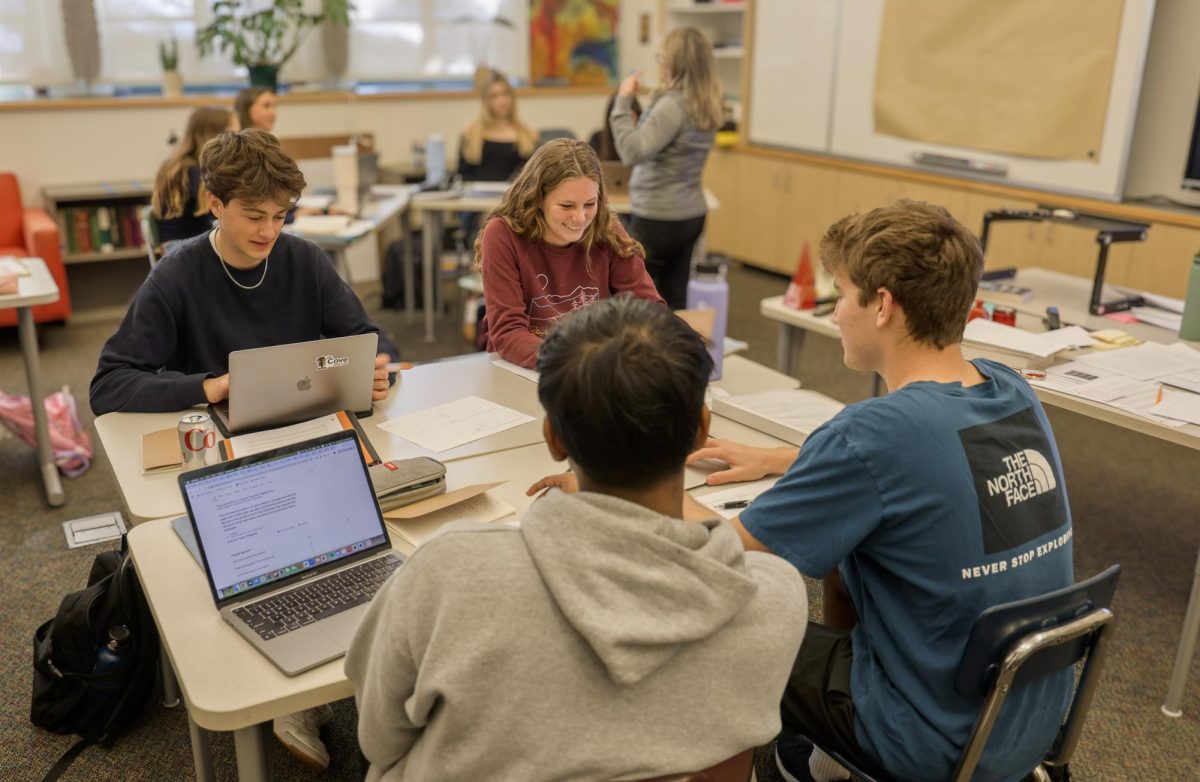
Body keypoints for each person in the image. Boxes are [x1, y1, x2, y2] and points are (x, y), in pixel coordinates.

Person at [686, 201, 1075, 782]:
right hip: (1026, 715)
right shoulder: (1010, 389)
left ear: (883, 306)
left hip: (930, 736)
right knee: (852, 557)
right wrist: (789, 460)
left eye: (841, 294)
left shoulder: (871, 435)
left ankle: (833, 762)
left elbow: (723, 552)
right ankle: (830, 756)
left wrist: (625, 478)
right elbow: (928, 471)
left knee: (722, 623)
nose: (837, 312)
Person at [346, 294, 808, 781]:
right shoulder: (774, 596)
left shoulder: (449, 571)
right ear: (702, 432)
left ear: (553, 438)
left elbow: (378, 738)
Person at [90, 128, 399, 419]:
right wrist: (208, 387)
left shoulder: (305, 259)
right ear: (216, 205)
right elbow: (109, 385)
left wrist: (375, 371)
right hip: (219, 435)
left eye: (279, 216)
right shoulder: (176, 275)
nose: (269, 231)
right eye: (254, 217)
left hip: (304, 421)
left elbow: (370, 341)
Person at [475, 138, 664, 368]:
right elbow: (508, 333)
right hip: (526, 368)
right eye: (566, 206)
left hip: (592, 368)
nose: (580, 218)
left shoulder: (605, 227)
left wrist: (680, 341)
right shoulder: (502, 235)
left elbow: (649, 309)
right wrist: (578, 360)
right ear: (538, 199)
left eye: (590, 204)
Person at [610, 26, 722, 310]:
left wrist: (623, 100)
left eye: (662, 58)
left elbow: (632, 151)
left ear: (675, 64)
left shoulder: (673, 105)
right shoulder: (705, 102)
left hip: (658, 216)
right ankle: (675, 351)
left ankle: (644, 352)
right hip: (690, 214)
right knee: (675, 298)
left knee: (640, 298)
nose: (659, 65)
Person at [152, 105, 237, 243]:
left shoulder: (174, 164)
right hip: (188, 248)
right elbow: (221, 213)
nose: (238, 139)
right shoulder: (195, 171)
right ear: (220, 134)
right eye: (235, 132)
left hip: (174, 247)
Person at [457, 68, 538, 183]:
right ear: (486, 101)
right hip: (475, 199)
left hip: (513, 198)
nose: (502, 101)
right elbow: (463, 176)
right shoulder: (470, 133)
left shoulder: (529, 135)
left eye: (506, 94)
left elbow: (531, 179)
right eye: (494, 96)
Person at [589, 91, 641, 162]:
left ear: (638, 116)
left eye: (628, 117)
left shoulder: (642, 141)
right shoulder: (597, 138)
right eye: (617, 117)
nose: (621, 123)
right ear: (609, 118)